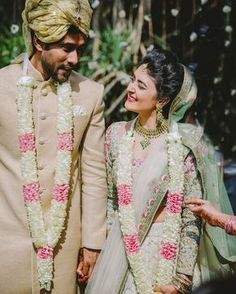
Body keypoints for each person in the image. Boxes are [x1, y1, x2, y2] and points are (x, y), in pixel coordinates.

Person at [85, 49, 236, 294]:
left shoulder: (182, 145)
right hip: (117, 252)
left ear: (162, 99)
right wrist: (102, 254)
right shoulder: (115, 134)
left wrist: (182, 281)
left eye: (141, 85)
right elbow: (111, 200)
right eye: (133, 79)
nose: (131, 88)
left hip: (165, 253)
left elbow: (190, 218)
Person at [0, 0, 107, 293]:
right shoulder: (1, 86)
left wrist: (93, 243)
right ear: (38, 41)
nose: (74, 59)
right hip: (6, 243)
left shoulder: (90, 94)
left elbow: (94, 174)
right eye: (66, 48)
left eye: (79, 48)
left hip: (65, 247)